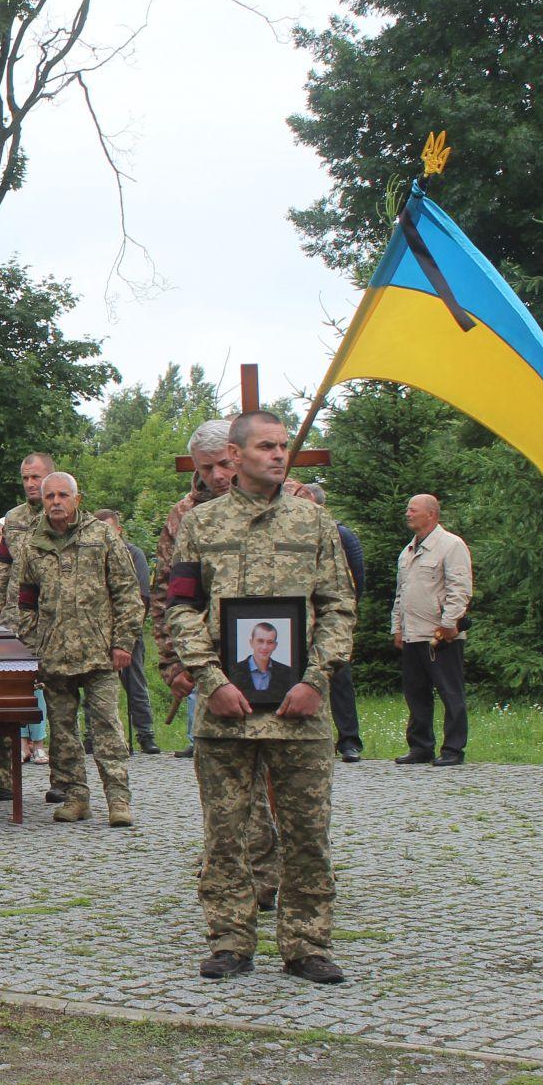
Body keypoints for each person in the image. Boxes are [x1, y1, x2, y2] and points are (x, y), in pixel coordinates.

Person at [166, 410, 355, 986]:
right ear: (237, 454)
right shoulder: (200, 526)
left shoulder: (315, 524)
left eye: (283, 446)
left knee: (307, 832)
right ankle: (229, 939)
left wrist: (315, 680)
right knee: (226, 832)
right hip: (228, 712)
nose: (279, 455)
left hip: (299, 711)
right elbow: (181, 607)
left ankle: (306, 943)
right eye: (267, 446)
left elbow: (340, 608)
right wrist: (209, 679)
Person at [11, 473, 143, 826]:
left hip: (100, 652)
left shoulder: (102, 537)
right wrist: (33, 646)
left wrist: (123, 643)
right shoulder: (32, 545)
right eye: (49, 496)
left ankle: (118, 800)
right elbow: (24, 602)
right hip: (54, 655)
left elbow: (128, 594)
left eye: (63, 495)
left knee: (107, 729)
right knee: (63, 732)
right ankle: (76, 797)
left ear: (77, 499)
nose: (56, 502)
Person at [153, 420, 236, 761]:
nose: (216, 475)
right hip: (206, 658)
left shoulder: (287, 500)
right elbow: (165, 594)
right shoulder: (184, 515)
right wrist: (171, 663)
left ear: (239, 453)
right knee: (221, 771)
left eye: (224, 464)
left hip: (275, 654)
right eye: (206, 467)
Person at [0, 452, 57, 800]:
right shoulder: (13, 519)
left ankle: (67, 784)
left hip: (55, 624)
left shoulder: (64, 513)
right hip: (15, 623)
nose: (30, 484)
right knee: (3, 699)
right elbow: (4, 566)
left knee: (58, 700)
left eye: (37, 477)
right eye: (25, 477)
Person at [392, 492, 472, 767]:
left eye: (413, 509)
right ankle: (421, 746)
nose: (408, 513)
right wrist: (397, 627)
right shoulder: (408, 551)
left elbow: (459, 588)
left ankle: (453, 749)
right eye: (408, 509)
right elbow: (401, 594)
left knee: (451, 692)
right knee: (416, 693)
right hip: (414, 633)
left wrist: (450, 623)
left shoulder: (451, 545)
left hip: (441, 636)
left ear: (431, 514)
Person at [292, 483, 365, 761]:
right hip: (293, 621)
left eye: (296, 496)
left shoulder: (341, 533)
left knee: (339, 677)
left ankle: (349, 740)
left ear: (310, 498)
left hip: (327, 621)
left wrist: (340, 618)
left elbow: (356, 580)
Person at [91, 509, 158, 756]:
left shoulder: (134, 554)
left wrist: (129, 632)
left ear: (119, 530)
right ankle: (94, 734)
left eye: (110, 530)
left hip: (128, 628)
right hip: (97, 630)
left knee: (135, 683)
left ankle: (146, 733)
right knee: (94, 683)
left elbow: (141, 596)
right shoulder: (91, 555)